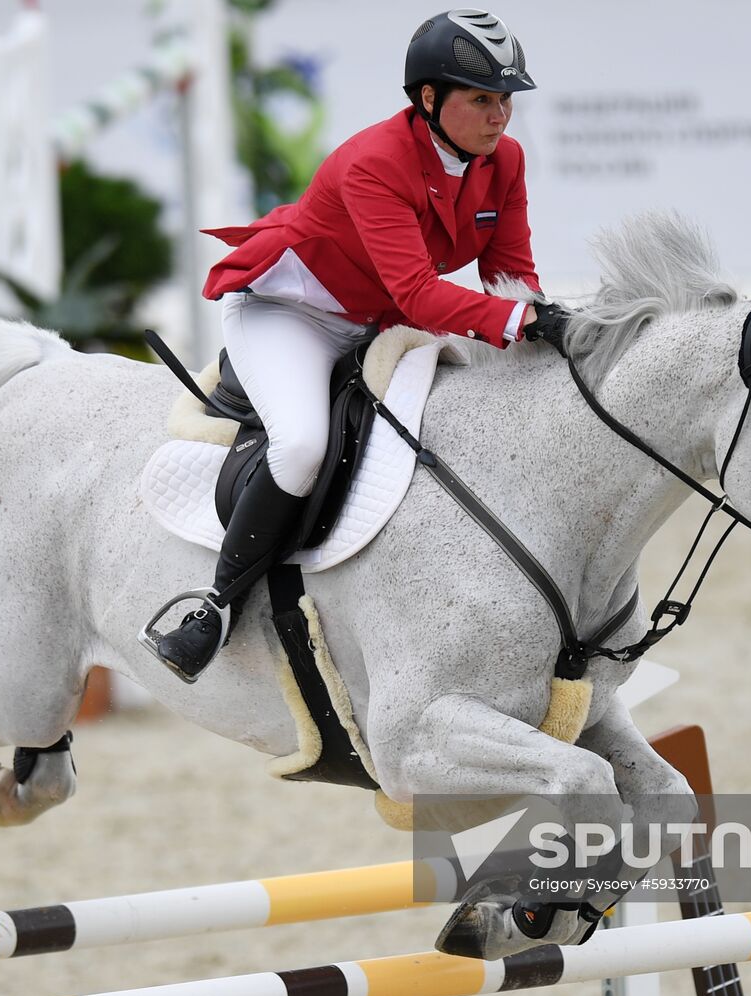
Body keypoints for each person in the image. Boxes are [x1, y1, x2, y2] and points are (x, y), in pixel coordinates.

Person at [155, 8, 568, 679]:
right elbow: (417, 294)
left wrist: (546, 321)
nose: (499, 117)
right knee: (302, 446)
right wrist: (519, 323)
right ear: (429, 100)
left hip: (371, 319)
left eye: (505, 102)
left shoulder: (505, 161)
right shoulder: (373, 163)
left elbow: (509, 275)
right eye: (482, 100)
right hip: (290, 314)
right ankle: (213, 608)